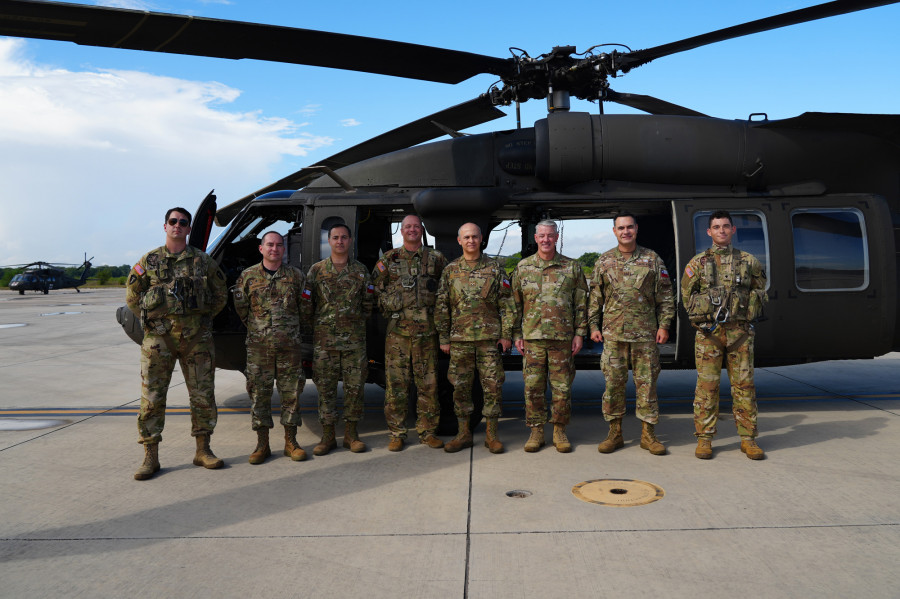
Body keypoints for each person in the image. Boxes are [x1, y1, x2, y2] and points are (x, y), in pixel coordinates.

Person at [126, 207, 228, 480]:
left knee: (203, 396)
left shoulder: (203, 261)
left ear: (188, 228)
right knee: (152, 398)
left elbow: (220, 296)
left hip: (197, 341)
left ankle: (203, 450)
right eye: (173, 221)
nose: (178, 226)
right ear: (165, 226)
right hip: (158, 342)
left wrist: (201, 323)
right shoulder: (148, 261)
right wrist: (154, 323)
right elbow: (132, 297)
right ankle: (150, 457)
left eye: (183, 223)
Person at [682, 210, 768, 460]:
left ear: (733, 230)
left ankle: (748, 439)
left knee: (744, 387)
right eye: (716, 227)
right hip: (709, 335)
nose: (721, 230)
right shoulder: (697, 263)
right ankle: (705, 439)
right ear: (709, 232)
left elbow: (761, 293)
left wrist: (749, 311)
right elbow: (687, 298)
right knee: (707, 388)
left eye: (726, 226)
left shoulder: (749, 261)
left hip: (740, 335)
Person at [589, 214, 675, 455]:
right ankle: (614, 434)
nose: (625, 231)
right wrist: (593, 327)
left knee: (647, 386)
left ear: (636, 229)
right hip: (613, 335)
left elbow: (665, 296)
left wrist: (664, 325)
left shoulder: (652, 259)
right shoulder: (604, 261)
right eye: (621, 228)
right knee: (614, 385)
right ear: (614, 231)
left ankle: (648, 435)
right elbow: (595, 298)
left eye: (629, 227)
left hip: (645, 334)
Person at [436, 223, 515, 453]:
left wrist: (506, 335)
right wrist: (444, 337)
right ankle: (464, 434)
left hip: (488, 341)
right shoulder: (450, 271)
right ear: (459, 241)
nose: (471, 240)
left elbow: (508, 304)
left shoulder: (495, 269)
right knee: (460, 388)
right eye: (466, 237)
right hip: (459, 341)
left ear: (481, 239)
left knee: (492, 387)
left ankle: (491, 436)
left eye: (475, 237)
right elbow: (442, 306)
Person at [372, 214, 447, 451]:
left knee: (429, 385)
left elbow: (446, 291)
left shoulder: (436, 259)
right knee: (397, 385)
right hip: (398, 335)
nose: (412, 230)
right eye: (408, 227)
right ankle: (397, 433)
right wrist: (391, 301)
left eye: (416, 226)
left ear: (421, 230)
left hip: (427, 333)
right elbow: (374, 288)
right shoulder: (388, 259)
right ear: (401, 231)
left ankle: (427, 432)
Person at [512, 220, 588, 453]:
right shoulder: (523, 268)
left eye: (550, 235)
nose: (546, 240)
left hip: (562, 338)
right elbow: (514, 304)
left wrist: (579, 333)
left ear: (557, 237)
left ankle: (559, 430)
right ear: (535, 238)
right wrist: (516, 333)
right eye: (541, 236)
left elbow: (581, 303)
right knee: (533, 387)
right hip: (533, 338)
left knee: (562, 388)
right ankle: (536, 431)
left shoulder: (571, 268)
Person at [233, 231, 307, 465]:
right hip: (258, 349)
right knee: (259, 395)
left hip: (290, 348)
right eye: (270, 245)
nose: (274, 248)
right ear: (261, 248)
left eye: (278, 245)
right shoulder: (248, 277)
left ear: (284, 250)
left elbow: (305, 308)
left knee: (291, 394)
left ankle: (290, 442)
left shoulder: (296, 277)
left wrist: (288, 330)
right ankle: (262, 444)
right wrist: (261, 329)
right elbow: (242, 309)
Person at [301, 223, 374, 455]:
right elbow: (306, 306)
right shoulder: (316, 271)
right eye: (335, 237)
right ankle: (328, 436)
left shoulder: (361, 271)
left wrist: (352, 322)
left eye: (344, 237)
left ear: (350, 241)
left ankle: (351, 435)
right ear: (329, 241)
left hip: (354, 343)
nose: (340, 241)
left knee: (355, 389)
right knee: (326, 389)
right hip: (325, 343)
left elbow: (368, 305)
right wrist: (322, 325)